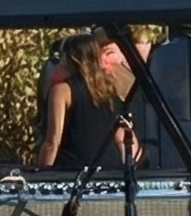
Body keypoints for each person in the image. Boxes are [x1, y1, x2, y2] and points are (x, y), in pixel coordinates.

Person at [40, 30, 146, 171]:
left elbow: (52, 142)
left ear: (69, 58)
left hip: (73, 172)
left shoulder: (62, 91)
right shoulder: (110, 91)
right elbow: (123, 138)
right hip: (109, 174)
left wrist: (40, 176)